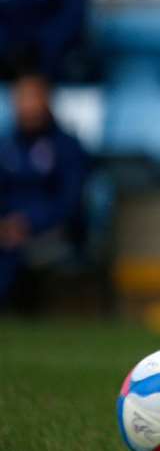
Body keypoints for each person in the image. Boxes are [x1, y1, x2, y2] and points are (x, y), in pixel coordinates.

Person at [0, 64, 90, 313]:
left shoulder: (67, 147)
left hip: (51, 231)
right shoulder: (5, 145)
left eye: (32, 96)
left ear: (46, 99)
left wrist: (28, 222)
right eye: (21, 97)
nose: (26, 105)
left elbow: (70, 201)